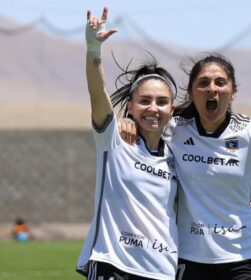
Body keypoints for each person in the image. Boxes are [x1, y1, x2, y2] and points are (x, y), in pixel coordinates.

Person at [120, 53, 251, 279]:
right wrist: (127, 122)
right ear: (191, 93)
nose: (212, 88)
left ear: (233, 92)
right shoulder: (174, 129)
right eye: (203, 83)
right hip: (190, 258)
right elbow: (147, 120)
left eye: (220, 82)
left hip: (243, 256)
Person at [76, 7, 179, 280]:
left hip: (163, 271)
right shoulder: (114, 140)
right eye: (144, 101)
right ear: (131, 107)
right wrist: (93, 49)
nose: (153, 108)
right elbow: (97, 93)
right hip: (114, 265)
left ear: (173, 109)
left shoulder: (179, 156)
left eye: (161, 102)